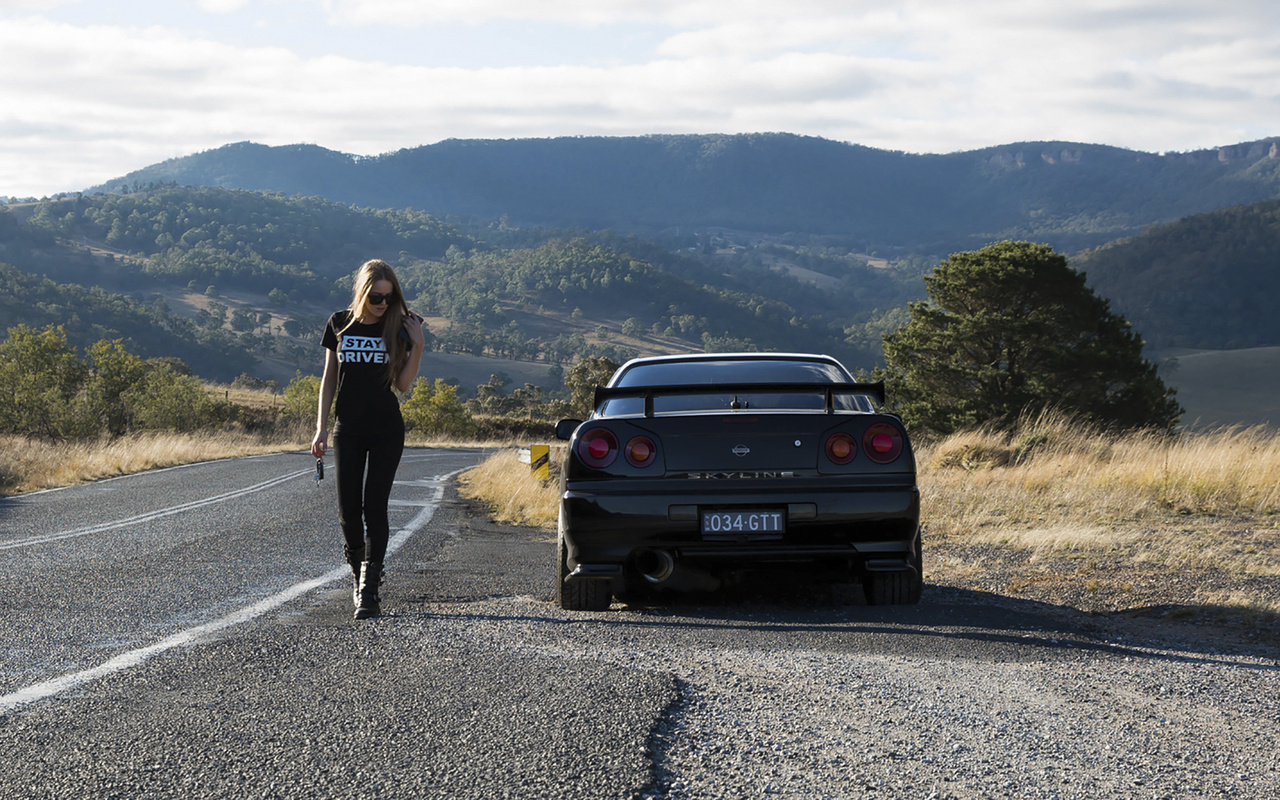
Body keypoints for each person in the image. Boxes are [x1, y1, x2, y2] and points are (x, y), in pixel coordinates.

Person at [311, 259, 425, 620]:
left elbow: (403, 385)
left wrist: (417, 346)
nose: (383, 305)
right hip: (348, 427)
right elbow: (329, 378)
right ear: (363, 291)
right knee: (348, 512)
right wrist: (321, 427)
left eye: (389, 299)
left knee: (375, 507)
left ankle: (369, 590)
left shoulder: (400, 327)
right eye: (376, 297)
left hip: (386, 429)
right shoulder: (339, 323)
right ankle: (359, 575)